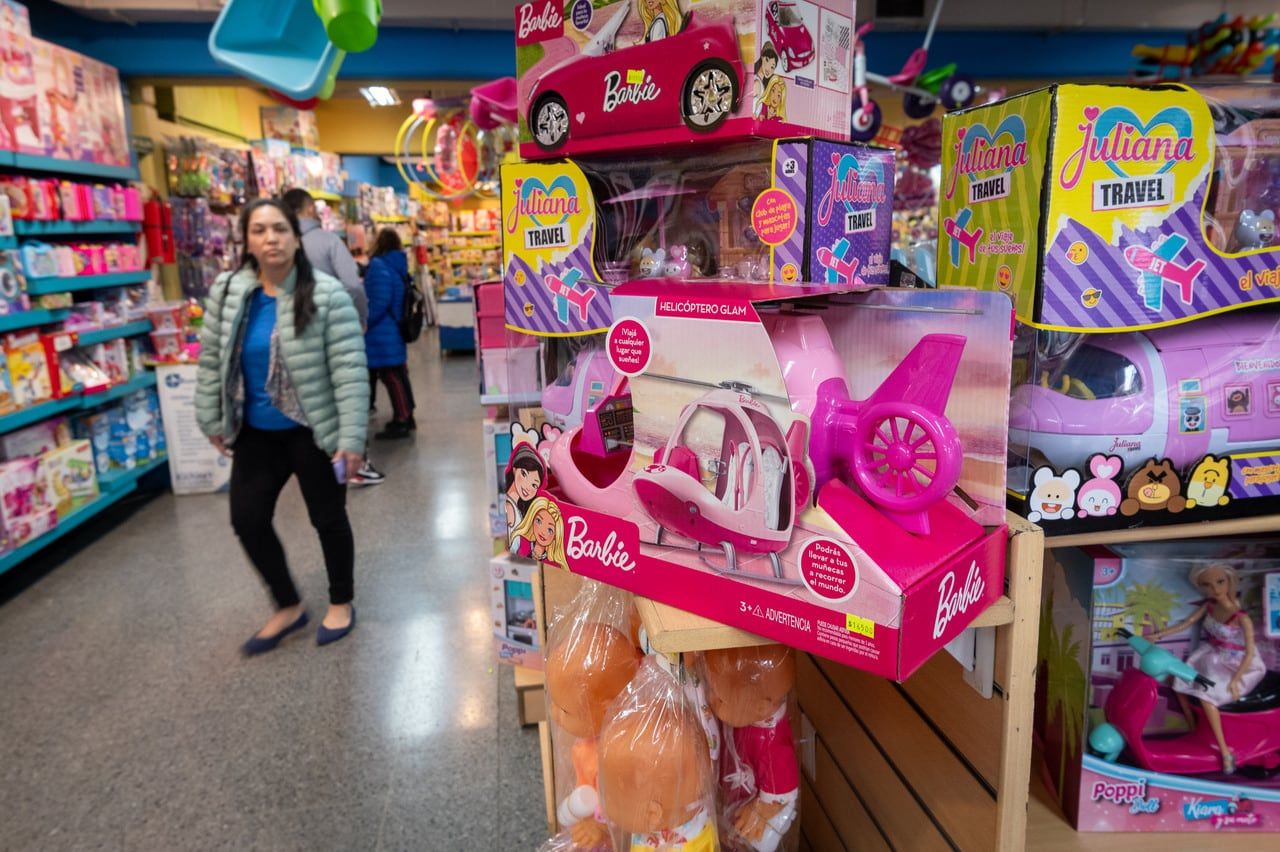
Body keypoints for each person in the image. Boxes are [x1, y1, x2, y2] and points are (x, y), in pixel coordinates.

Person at [196, 198, 369, 654]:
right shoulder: (228, 291)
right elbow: (212, 359)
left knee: (327, 518)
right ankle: (288, 604)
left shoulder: (327, 294)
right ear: (247, 240)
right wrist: (211, 417)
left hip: (315, 428)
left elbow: (350, 370)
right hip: (256, 430)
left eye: (279, 229)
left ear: (296, 237)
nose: (270, 238)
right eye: (259, 230)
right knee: (247, 518)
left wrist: (351, 440)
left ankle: (341, 600)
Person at [282, 187, 384, 486]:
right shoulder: (327, 241)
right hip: (332, 329)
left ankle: (313, 465)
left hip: (293, 334)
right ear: (310, 209)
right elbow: (352, 284)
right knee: (344, 392)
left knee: (307, 398)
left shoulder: (280, 244)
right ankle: (354, 463)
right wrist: (360, 318)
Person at [1149, 562, 1265, 773]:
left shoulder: (1241, 618)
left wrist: (1236, 679)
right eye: (1207, 585)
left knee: (1206, 696)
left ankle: (1225, 752)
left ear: (1229, 581)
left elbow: (1249, 652)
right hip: (1210, 655)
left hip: (1235, 663)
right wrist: (1158, 635)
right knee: (1178, 682)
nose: (1214, 589)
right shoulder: (1209, 605)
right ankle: (1193, 728)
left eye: (1219, 582)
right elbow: (1186, 622)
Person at [364, 228, 417, 439]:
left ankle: (401, 420)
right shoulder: (398, 264)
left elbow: (379, 300)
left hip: (381, 331)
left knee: (391, 375)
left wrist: (364, 320)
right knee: (398, 375)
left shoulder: (379, 266)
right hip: (394, 327)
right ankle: (406, 415)